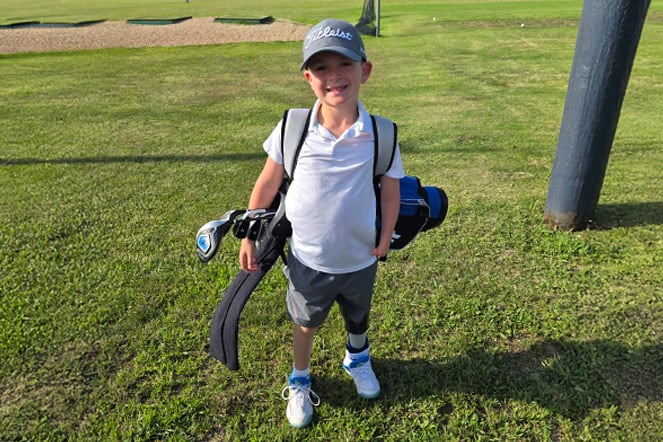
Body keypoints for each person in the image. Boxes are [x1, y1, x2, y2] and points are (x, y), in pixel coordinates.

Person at [239, 18, 405, 428]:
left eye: (344, 64)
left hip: (361, 255)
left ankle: (357, 358)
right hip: (308, 259)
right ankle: (300, 379)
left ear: (364, 70)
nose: (335, 76)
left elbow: (390, 190)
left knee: (357, 314)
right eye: (322, 67)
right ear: (308, 77)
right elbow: (267, 181)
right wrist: (247, 235)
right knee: (305, 321)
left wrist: (385, 239)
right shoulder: (293, 127)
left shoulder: (381, 133)